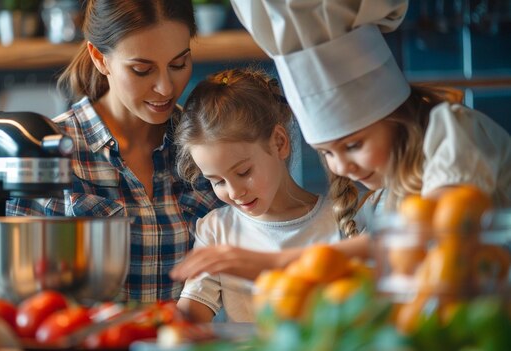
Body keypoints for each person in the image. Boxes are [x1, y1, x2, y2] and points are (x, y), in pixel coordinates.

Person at [170, 0, 510, 281]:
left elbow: (434, 232)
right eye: (326, 153)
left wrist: (277, 262)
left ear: (394, 117)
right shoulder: (381, 202)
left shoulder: (454, 133)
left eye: (353, 145)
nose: (341, 167)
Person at [7, 0, 222, 303]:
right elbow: (23, 298)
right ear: (99, 58)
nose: (165, 87)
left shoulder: (208, 146)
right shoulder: (47, 152)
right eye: (142, 70)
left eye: (178, 64)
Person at [173, 68, 340, 322]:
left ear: (279, 143)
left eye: (243, 172)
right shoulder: (217, 231)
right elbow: (189, 319)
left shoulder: (339, 221)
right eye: (216, 181)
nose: (234, 192)